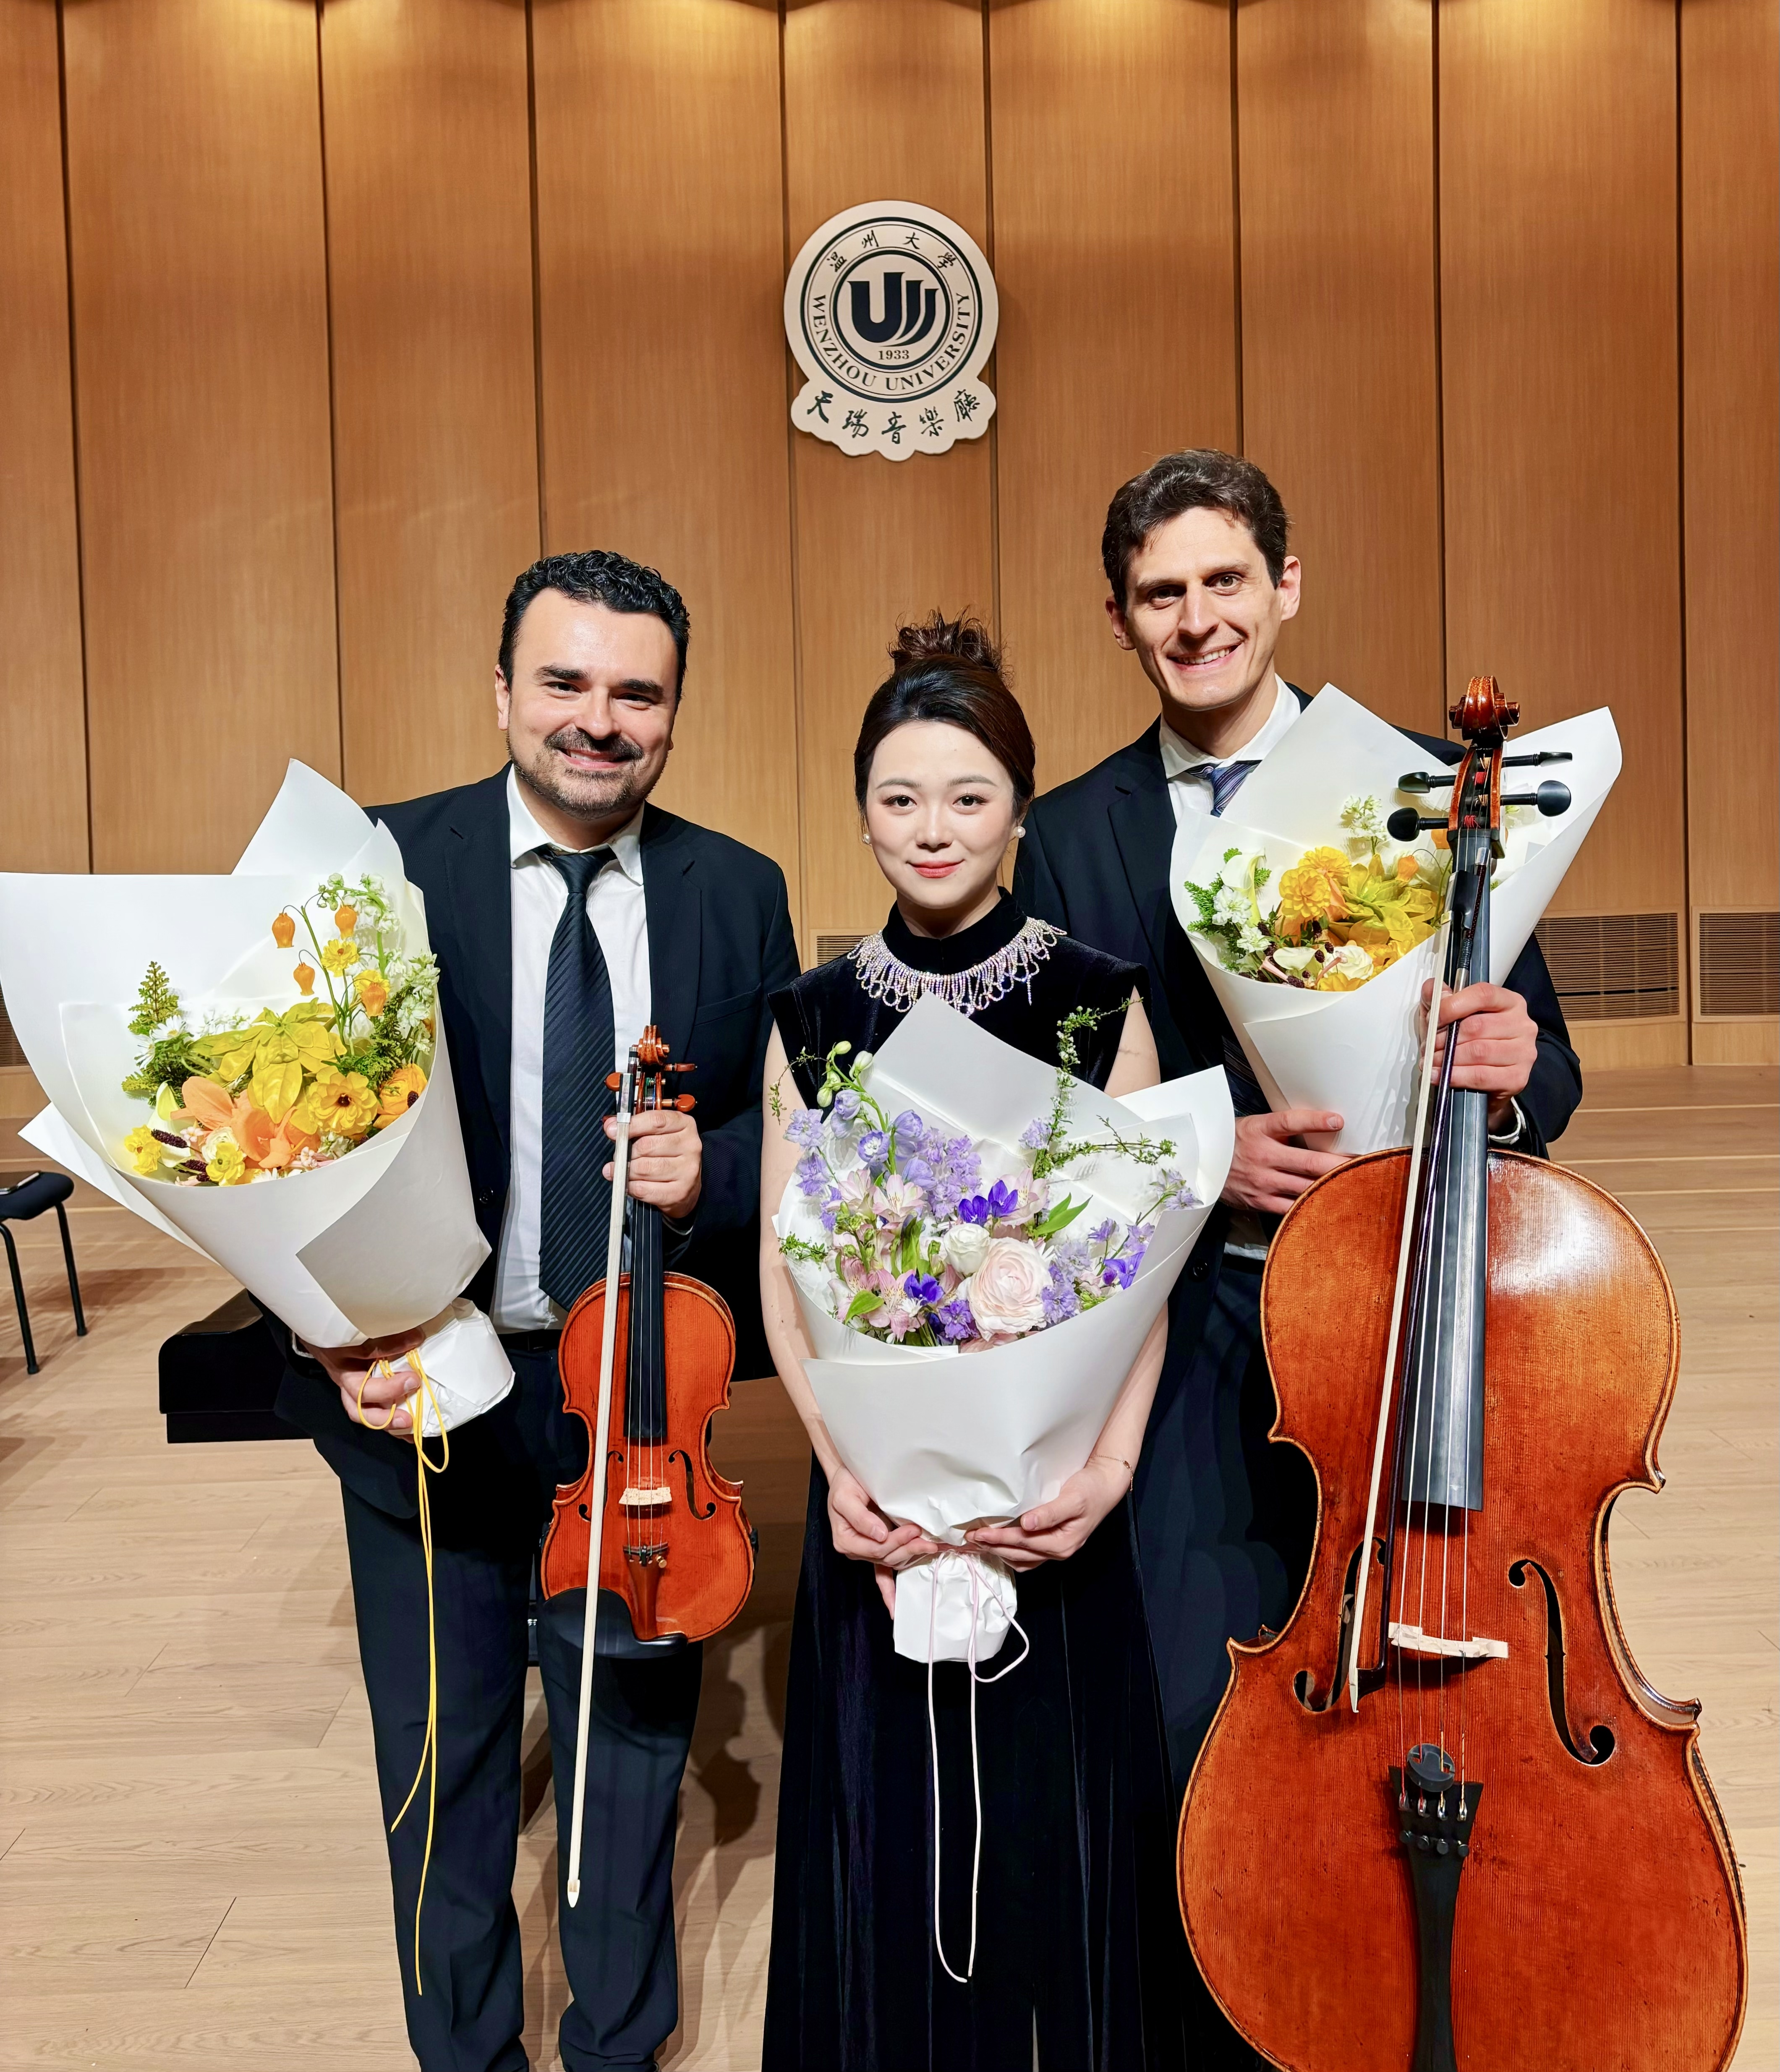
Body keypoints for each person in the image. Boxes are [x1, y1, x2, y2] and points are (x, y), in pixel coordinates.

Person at [269, 551, 798, 2072]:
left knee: (631, 1766)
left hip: (637, 1409)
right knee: (440, 1778)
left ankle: (622, 2050)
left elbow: (791, 1133)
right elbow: (282, 1132)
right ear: (501, 691)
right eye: (564, 682)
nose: (599, 720)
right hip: (423, 1391)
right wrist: (321, 1323)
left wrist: (716, 1168)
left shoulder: (736, 888)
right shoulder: (381, 859)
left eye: (637, 692)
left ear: (675, 713)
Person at [1014, 449, 1581, 1795]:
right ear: (1118, 619)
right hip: (1190, 1314)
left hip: (1410, 1303)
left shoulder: (1427, 786)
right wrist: (1203, 1156)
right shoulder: (1063, 836)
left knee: (1414, 1688)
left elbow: (1550, 1072)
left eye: (1224, 579)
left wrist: (1514, 1059)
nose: (1195, 618)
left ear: (1284, 585)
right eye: (1159, 593)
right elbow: (1049, 1106)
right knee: (1194, 1686)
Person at [758, 616, 1208, 2072]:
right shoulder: (814, 1018)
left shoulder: (1096, 994)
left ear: (1019, 805)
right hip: (880, 1518)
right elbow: (787, 1271)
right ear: (860, 810)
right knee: (891, 1852)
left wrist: (1111, 1464)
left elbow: (1136, 1267)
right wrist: (844, 1475)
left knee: (1058, 1856)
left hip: (1051, 1506)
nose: (931, 828)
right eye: (898, 797)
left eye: (966, 796)